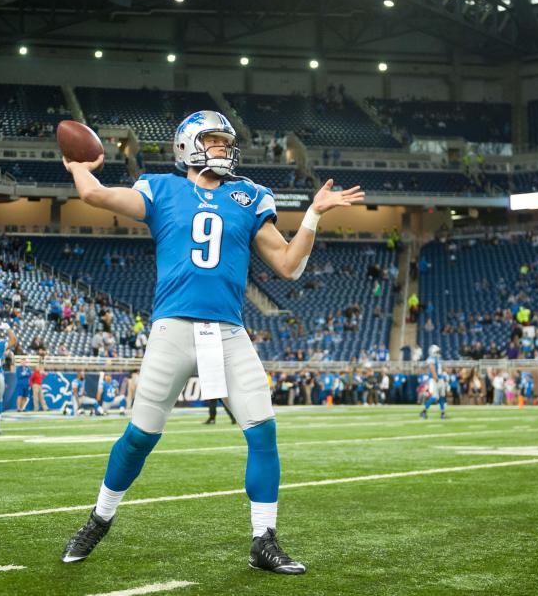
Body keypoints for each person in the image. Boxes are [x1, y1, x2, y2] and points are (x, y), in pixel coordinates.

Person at [59, 110, 364, 573]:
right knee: (140, 436)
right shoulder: (161, 189)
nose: (223, 148)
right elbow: (94, 195)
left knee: (263, 431)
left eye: (226, 142)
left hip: (228, 330)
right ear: (187, 146)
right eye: (215, 141)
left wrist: (313, 216)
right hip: (172, 329)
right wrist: (80, 164)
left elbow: (288, 265)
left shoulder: (249, 197)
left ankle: (264, 539)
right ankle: (99, 518)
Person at [419, 345, 447, 419]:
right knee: (435, 397)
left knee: (442, 397)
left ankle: (442, 413)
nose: (438, 352)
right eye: (437, 351)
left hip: (440, 379)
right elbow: (432, 368)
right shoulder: (431, 359)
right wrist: (436, 378)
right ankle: (424, 411)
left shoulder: (437, 358)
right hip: (435, 379)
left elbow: (441, 368)